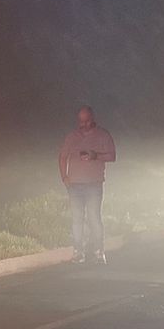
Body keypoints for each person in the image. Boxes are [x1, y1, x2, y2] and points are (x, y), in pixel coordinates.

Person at [58, 104, 116, 264]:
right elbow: (62, 157)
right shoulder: (72, 136)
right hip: (75, 185)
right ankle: (78, 252)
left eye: (86, 121)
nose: (83, 125)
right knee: (77, 219)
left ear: (92, 119)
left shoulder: (102, 135)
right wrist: (65, 177)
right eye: (80, 122)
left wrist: (95, 155)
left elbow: (112, 156)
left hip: (94, 185)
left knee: (94, 218)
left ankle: (98, 251)